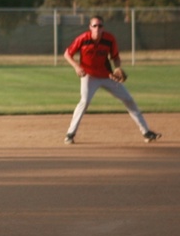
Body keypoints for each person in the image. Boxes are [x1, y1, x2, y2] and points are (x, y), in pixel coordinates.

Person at [63, 16, 161, 144]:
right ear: (90, 27)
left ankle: (146, 132)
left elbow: (115, 57)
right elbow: (67, 54)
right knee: (84, 101)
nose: (97, 28)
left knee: (128, 99)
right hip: (89, 76)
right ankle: (70, 134)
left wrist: (118, 67)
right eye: (95, 26)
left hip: (107, 76)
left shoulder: (109, 39)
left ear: (103, 27)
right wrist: (76, 67)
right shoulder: (83, 39)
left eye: (100, 26)